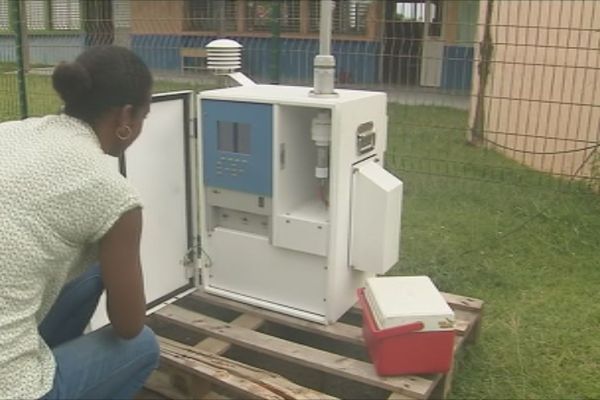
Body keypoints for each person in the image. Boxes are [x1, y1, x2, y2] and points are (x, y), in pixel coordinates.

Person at [0, 45, 159, 399]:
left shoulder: (12, 132)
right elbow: (130, 326)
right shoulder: (114, 195)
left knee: (89, 273)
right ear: (126, 117)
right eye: (143, 119)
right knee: (144, 346)